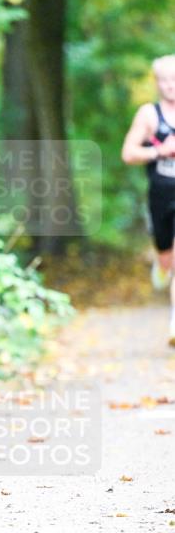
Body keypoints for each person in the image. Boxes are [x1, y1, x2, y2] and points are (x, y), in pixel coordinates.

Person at [121, 54, 175, 344]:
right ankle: (162, 263)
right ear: (157, 83)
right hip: (161, 192)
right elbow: (128, 153)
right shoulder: (149, 115)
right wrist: (159, 152)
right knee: (168, 256)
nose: (170, 86)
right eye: (164, 81)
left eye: (174, 80)